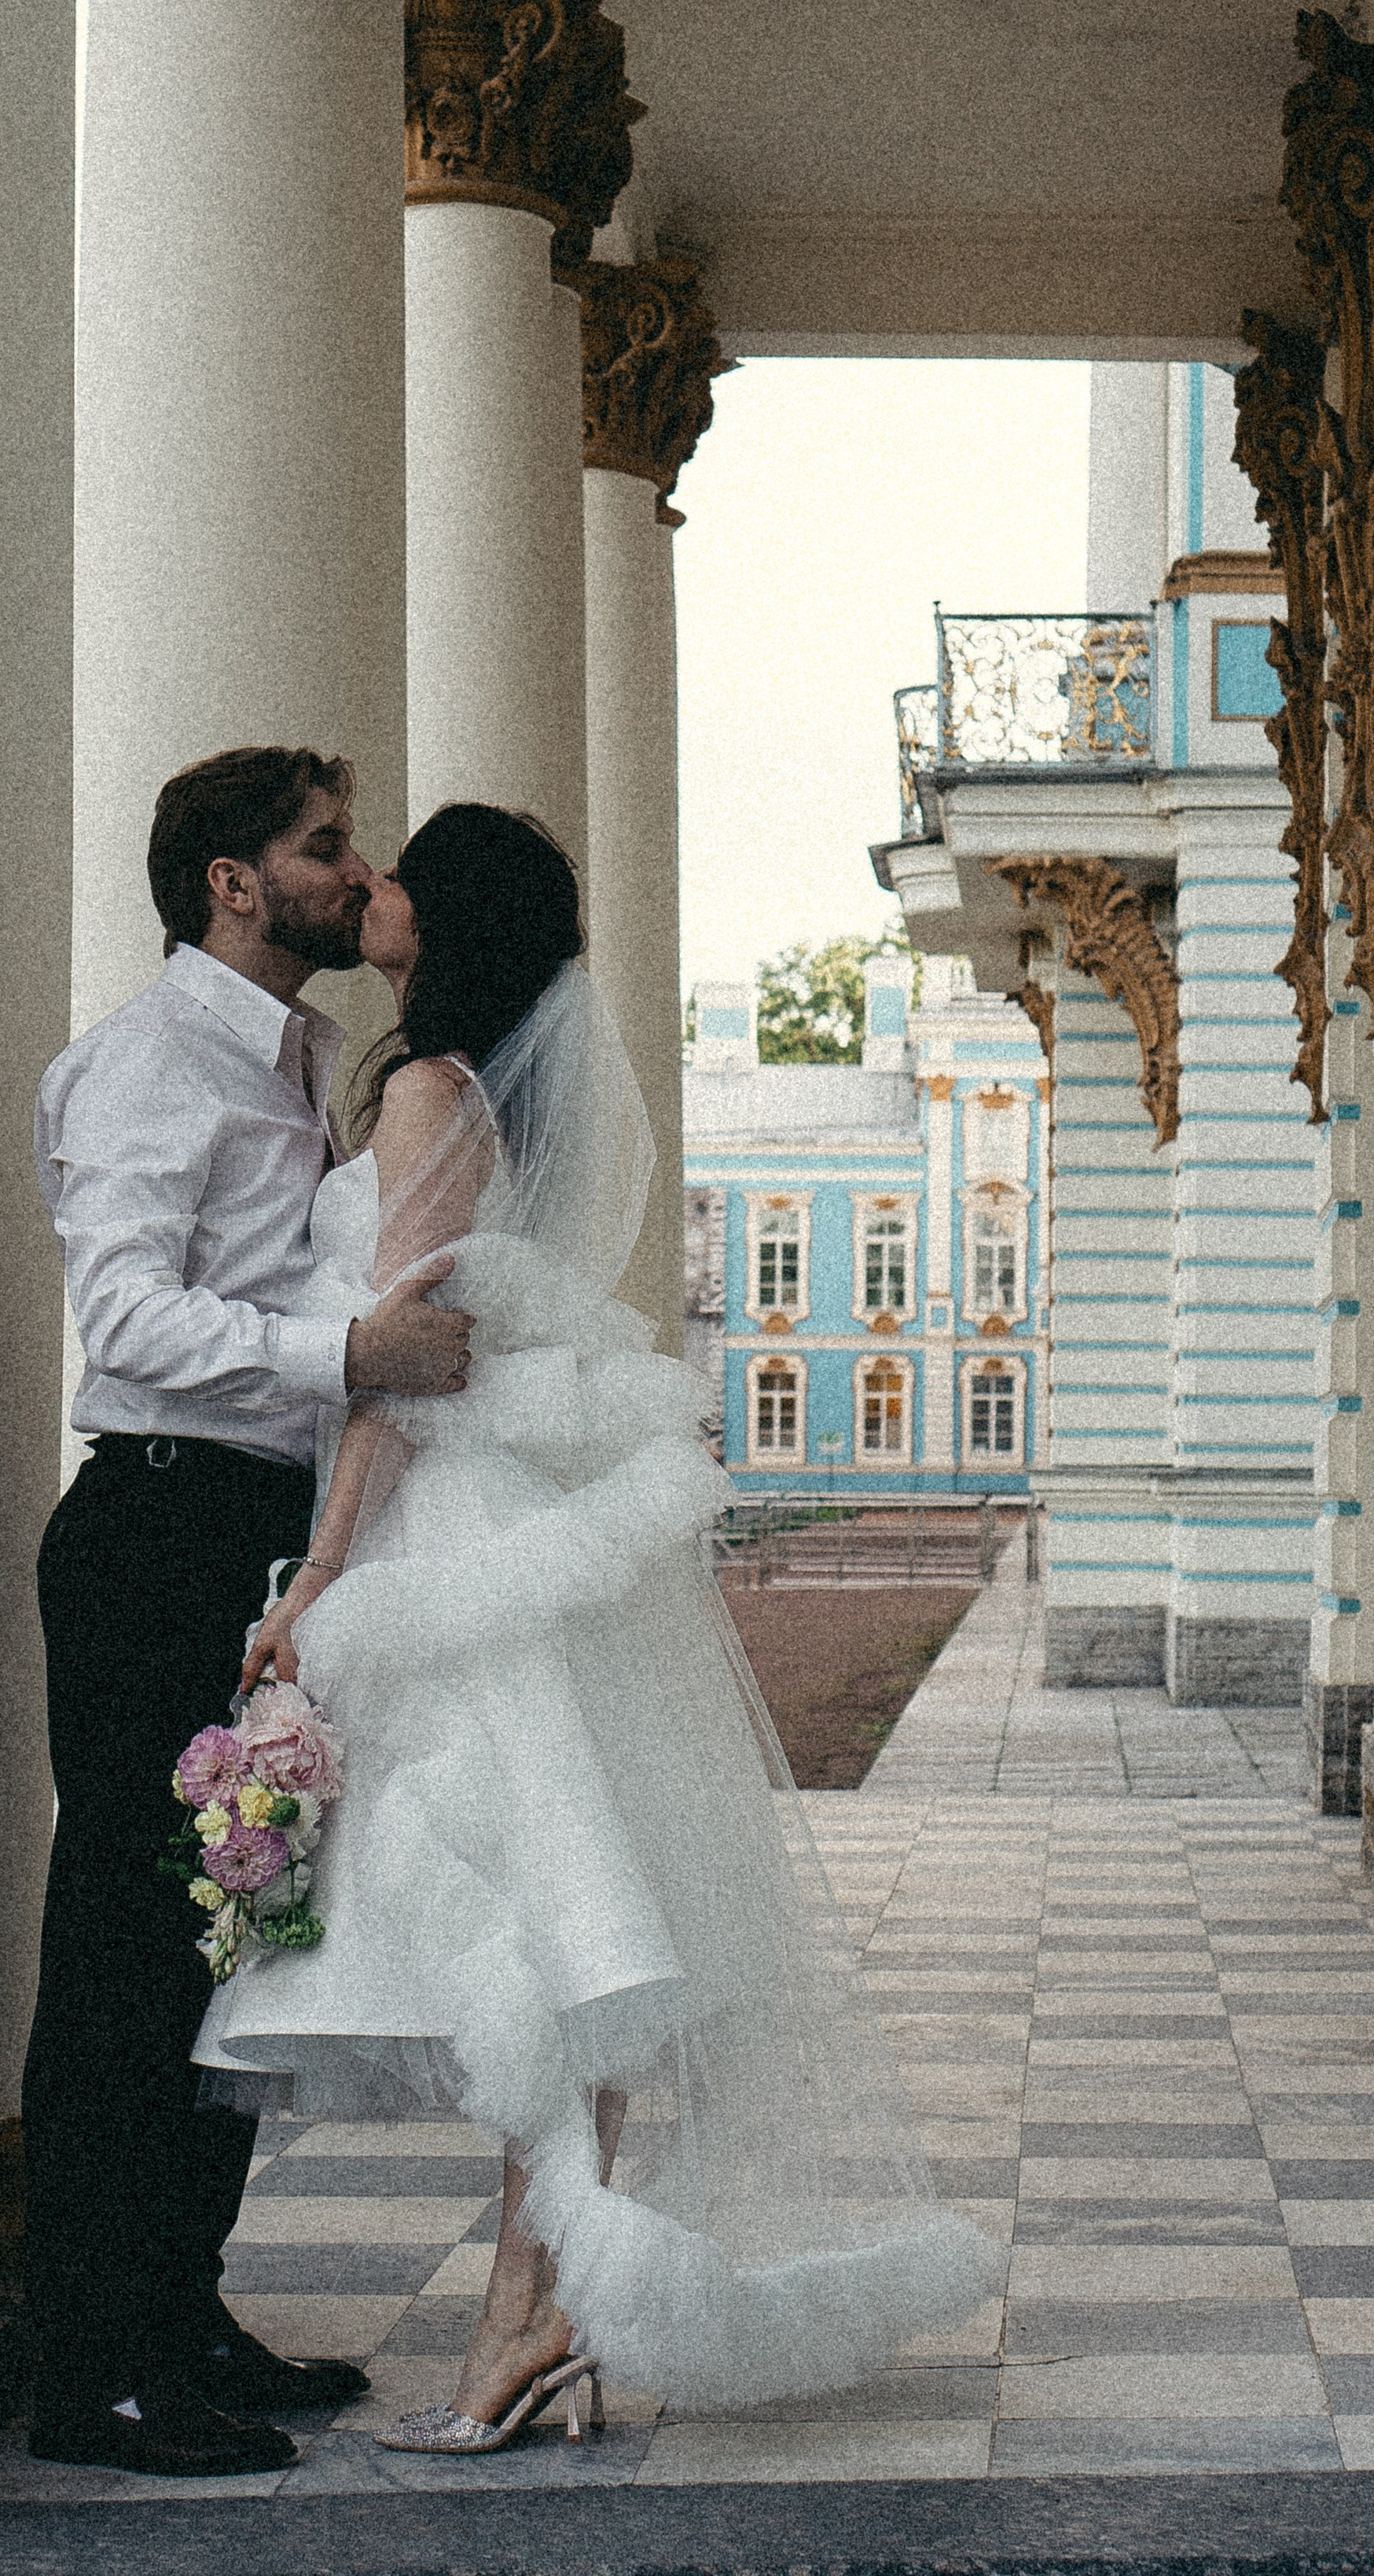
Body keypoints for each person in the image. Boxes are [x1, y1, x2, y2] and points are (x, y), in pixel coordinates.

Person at [200, 803, 1005, 2450]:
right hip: (519, 1528)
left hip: (451, 1531)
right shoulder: (484, 1093)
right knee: (576, 1924)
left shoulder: (432, 1091)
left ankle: (535, 2310)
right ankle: (541, 2306)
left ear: (452, 918)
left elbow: (400, 1362)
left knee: (554, 1920)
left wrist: (323, 1577)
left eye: (397, 870)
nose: (371, 889)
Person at [21, 746, 476, 2479]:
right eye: (320, 850)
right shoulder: (149, 1065)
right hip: (151, 1531)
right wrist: (342, 1353)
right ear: (228, 880)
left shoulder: (283, 1059)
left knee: (227, 1941)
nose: (353, 880)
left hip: (246, 1541)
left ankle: (177, 2307)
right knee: (129, 1961)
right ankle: (93, 2371)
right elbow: (125, 1322)